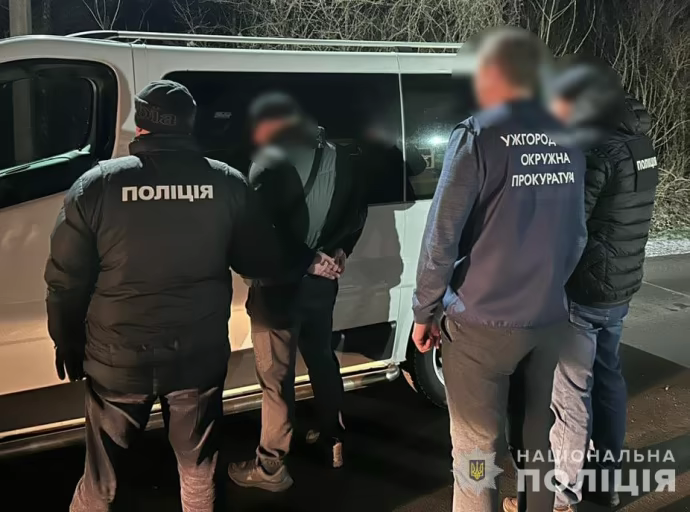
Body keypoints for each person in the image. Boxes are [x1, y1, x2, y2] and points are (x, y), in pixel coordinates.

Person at [45, 80, 316, 512]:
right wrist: (309, 258)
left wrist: (67, 339)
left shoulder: (96, 185)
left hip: (118, 362)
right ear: (190, 126)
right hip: (196, 358)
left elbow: (65, 282)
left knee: (101, 480)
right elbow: (261, 261)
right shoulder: (226, 183)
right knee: (197, 472)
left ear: (140, 126)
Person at [411, 28, 588, 512]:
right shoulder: (568, 135)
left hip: (481, 327)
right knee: (536, 441)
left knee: (475, 452)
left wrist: (425, 310)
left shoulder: (478, 135)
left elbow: (441, 236)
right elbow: (577, 234)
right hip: (547, 319)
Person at [228, 92, 367, 491]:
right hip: (323, 285)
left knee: (276, 378)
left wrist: (306, 259)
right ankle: (333, 441)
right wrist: (339, 251)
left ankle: (271, 465)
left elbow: (259, 230)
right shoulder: (342, 156)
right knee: (322, 361)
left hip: (278, 288)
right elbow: (357, 212)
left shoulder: (269, 162)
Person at [546, 61, 659, 511]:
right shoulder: (640, 144)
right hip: (621, 286)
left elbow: (572, 226)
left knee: (571, 391)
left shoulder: (597, 150)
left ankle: (564, 493)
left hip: (585, 289)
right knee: (609, 379)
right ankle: (606, 481)